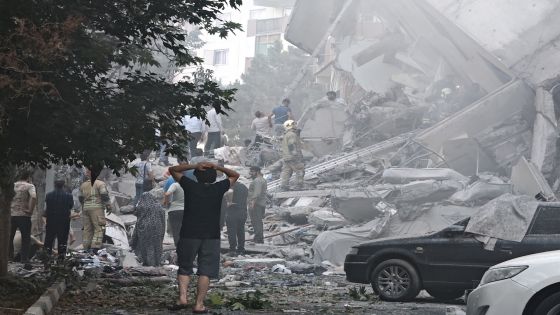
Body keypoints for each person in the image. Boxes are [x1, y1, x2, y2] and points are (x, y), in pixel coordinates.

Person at [168, 161, 239, 313]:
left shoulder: (190, 185)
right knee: (205, 270)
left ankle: (182, 298)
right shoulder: (218, 188)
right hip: (211, 235)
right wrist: (217, 167)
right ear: (214, 177)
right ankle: (199, 304)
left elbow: (172, 170)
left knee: (185, 267)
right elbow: (235, 175)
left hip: (189, 233)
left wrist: (195, 165)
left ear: (196, 176)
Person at [78, 164, 112, 253]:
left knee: (87, 229)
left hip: (86, 209)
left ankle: (86, 246)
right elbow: (104, 195)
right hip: (97, 209)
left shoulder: (83, 185)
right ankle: (95, 248)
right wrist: (108, 205)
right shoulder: (100, 184)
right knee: (99, 228)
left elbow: (80, 198)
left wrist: (84, 206)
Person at [9, 169, 37, 264]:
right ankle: (24, 259)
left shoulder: (12, 185)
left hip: (11, 215)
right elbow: (33, 197)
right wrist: (30, 210)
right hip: (24, 216)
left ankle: (9, 258)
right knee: (25, 238)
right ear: (28, 177)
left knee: (10, 237)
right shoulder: (29, 186)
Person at [43, 179, 74, 262]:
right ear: (63, 185)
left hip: (51, 221)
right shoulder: (69, 196)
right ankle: (61, 259)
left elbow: (48, 207)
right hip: (64, 221)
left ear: (54, 185)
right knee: (62, 241)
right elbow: (70, 206)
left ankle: (46, 259)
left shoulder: (48, 195)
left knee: (49, 240)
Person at [131, 192, 165, 266]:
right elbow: (163, 217)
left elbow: (135, 213)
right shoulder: (158, 206)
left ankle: (147, 262)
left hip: (144, 228)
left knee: (146, 245)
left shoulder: (141, 206)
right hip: (157, 228)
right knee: (156, 245)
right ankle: (156, 262)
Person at [280, 120, 305, 191]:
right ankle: (298, 186)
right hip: (293, 157)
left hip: (286, 157)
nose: (295, 125)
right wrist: (295, 154)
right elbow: (291, 144)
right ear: (290, 125)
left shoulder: (286, 135)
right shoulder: (292, 134)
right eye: (294, 124)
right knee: (300, 170)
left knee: (286, 172)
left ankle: (284, 187)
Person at [225, 181, 248, 254]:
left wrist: (229, 202)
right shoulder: (244, 187)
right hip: (243, 212)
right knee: (241, 231)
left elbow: (230, 191)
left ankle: (232, 250)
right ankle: (241, 249)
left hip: (233, 212)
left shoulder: (231, 186)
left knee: (231, 231)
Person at [247, 166, 267, 244]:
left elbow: (257, 193)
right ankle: (258, 237)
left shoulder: (257, 181)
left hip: (256, 204)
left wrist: (252, 203)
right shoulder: (262, 180)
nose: (250, 173)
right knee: (257, 221)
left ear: (257, 172)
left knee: (256, 221)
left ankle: (258, 238)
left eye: (252, 172)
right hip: (260, 203)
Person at [163, 177, 185, 246]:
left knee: (176, 231)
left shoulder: (175, 185)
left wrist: (167, 202)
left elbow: (167, 194)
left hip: (174, 210)